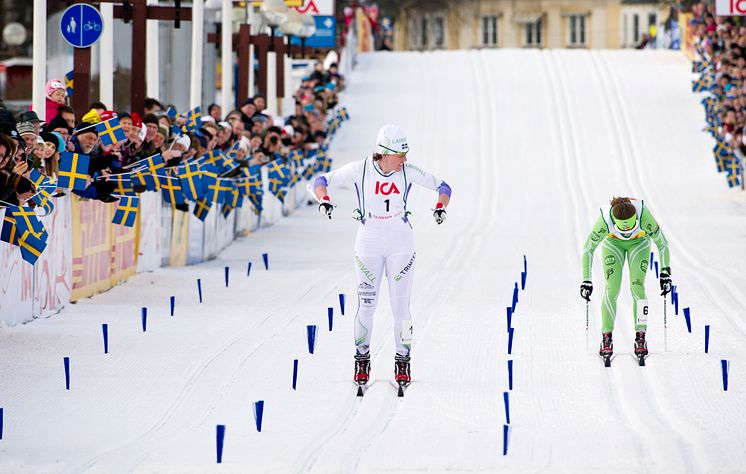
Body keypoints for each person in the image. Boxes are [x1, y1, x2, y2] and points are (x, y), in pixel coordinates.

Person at [312, 124, 452, 388]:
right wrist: (324, 200)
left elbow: (443, 186)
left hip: (401, 242)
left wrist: (439, 206)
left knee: (400, 307)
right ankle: (362, 359)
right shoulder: (360, 169)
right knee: (367, 306)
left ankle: (403, 361)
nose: (406, 159)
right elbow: (321, 181)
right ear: (385, 153)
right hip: (369, 242)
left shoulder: (408, 171)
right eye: (401, 155)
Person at [580, 197, 672, 360]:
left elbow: (663, 244)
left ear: (636, 218)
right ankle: (606, 337)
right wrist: (586, 280)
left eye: (631, 228)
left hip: (640, 243)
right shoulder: (605, 219)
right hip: (613, 245)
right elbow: (588, 249)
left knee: (637, 286)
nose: (627, 232)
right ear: (614, 221)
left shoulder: (644, 215)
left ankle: (640, 336)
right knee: (612, 288)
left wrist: (665, 274)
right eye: (623, 230)